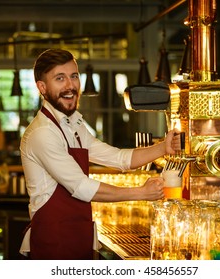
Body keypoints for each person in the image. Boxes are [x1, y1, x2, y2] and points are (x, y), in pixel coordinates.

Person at [19, 49, 181, 260]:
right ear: (42, 87)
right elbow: (82, 187)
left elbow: (118, 158)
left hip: (79, 236)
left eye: (74, 76)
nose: (70, 86)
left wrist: (162, 148)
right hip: (54, 244)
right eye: (60, 78)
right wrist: (139, 193)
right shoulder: (43, 133)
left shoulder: (73, 125)